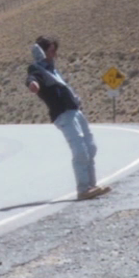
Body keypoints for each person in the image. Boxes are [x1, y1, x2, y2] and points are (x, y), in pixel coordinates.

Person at [26, 36, 110, 200]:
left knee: (90, 147)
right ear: (42, 51)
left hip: (75, 111)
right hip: (63, 114)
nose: (54, 54)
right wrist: (32, 85)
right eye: (51, 50)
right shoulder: (37, 69)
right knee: (79, 149)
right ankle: (83, 189)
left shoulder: (53, 70)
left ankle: (92, 186)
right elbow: (32, 78)